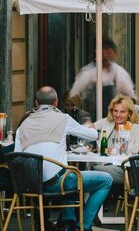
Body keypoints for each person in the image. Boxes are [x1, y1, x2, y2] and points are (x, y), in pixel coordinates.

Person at [14, 86, 113, 231]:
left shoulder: (23, 124)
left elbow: (17, 157)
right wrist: (90, 127)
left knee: (66, 173)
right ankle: (83, 225)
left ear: (36, 103)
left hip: (31, 184)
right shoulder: (63, 118)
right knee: (105, 180)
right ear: (56, 102)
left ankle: (69, 222)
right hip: (57, 183)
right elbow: (93, 136)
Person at [70, 38, 135, 120]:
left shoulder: (120, 73)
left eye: (108, 53)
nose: (105, 56)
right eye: (102, 53)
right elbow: (73, 94)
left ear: (114, 54)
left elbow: (131, 97)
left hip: (115, 118)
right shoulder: (89, 72)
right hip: (93, 118)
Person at [93, 94, 139, 184]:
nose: (118, 115)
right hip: (102, 163)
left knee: (92, 170)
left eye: (122, 112)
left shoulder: (135, 128)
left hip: (122, 168)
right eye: (115, 111)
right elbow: (89, 128)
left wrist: (108, 150)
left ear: (129, 114)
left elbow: (134, 150)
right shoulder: (107, 122)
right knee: (90, 167)